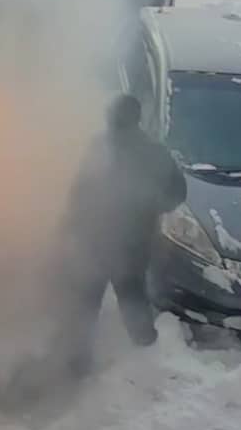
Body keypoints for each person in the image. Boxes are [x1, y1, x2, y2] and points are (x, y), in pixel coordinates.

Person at [57, 94, 186, 358]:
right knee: (132, 295)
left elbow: (78, 192)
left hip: (95, 239)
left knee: (87, 301)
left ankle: (78, 359)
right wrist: (154, 205)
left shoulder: (99, 147)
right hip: (134, 242)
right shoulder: (155, 151)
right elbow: (178, 193)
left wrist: (69, 226)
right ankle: (144, 350)